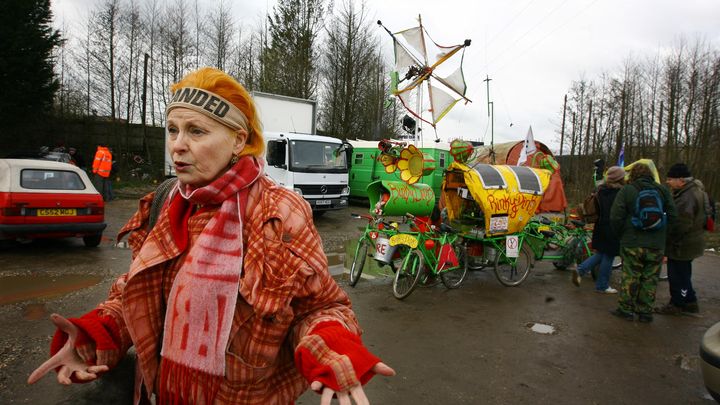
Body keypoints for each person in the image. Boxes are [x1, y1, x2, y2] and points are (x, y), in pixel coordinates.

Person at [28, 67, 394, 404]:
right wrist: (97, 333)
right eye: (173, 129)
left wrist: (333, 348)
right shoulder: (168, 200)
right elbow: (138, 296)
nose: (177, 145)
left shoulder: (279, 211)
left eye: (197, 131)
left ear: (238, 140)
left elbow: (318, 307)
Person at [609, 162, 676, 323]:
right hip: (656, 244)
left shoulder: (627, 190)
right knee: (650, 278)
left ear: (632, 175)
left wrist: (622, 235)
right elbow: (673, 215)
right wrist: (664, 235)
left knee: (630, 276)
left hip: (632, 241)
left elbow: (615, 216)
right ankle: (645, 311)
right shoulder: (662, 190)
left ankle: (626, 309)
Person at [655, 163, 705, 315]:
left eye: (670, 179)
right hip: (690, 241)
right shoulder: (694, 192)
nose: (668, 182)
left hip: (682, 244)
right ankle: (690, 301)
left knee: (678, 275)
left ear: (681, 180)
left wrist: (668, 239)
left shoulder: (686, 197)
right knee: (683, 273)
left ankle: (678, 303)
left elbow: (681, 224)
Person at [572, 165, 625, 293]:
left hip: (600, 226)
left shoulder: (600, 190)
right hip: (612, 228)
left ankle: (579, 271)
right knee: (609, 256)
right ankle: (602, 285)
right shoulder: (619, 193)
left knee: (601, 254)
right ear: (619, 179)